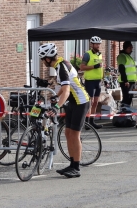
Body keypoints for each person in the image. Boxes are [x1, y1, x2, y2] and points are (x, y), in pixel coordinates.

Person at [38, 43, 90, 178]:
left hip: (80, 101)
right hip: (73, 101)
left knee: (74, 135)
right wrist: (56, 96)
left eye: (42, 59)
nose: (42, 62)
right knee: (67, 133)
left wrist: (56, 107)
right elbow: (64, 87)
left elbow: (67, 91)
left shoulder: (61, 67)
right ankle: (72, 164)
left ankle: (76, 167)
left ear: (48, 58)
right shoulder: (60, 65)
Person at [79, 36, 104, 129]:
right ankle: (86, 122)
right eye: (96, 44)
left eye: (99, 44)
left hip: (98, 81)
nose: (98, 46)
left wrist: (103, 77)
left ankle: (92, 121)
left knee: (96, 102)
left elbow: (101, 67)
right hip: (90, 81)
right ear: (92, 44)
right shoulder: (87, 54)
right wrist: (94, 66)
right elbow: (82, 67)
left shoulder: (100, 54)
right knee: (90, 101)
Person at [117, 41, 137, 107]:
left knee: (129, 98)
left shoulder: (128, 56)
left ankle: (126, 112)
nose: (132, 50)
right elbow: (121, 68)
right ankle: (123, 112)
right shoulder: (122, 56)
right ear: (127, 48)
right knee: (126, 98)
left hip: (131, 81)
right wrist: (125, 80)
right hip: (126, 82)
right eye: (131, 48)